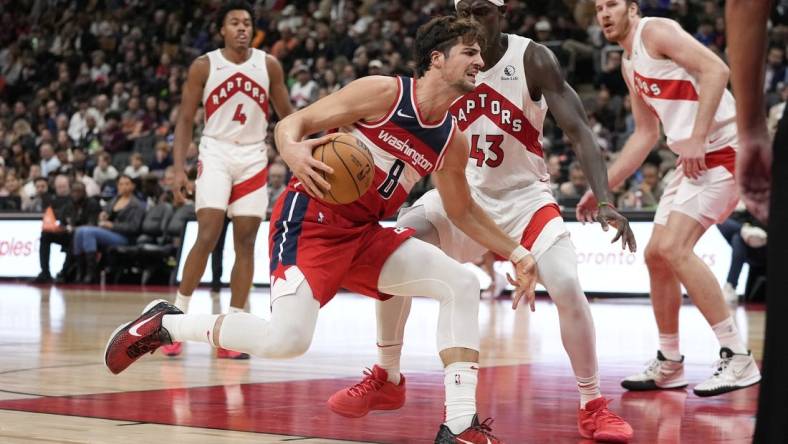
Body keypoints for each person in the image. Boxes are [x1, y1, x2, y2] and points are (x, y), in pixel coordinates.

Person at [106, 16, 536, 443]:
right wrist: (292, 152)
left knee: (460, 283)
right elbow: (291, 124)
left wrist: (518, 253)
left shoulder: (451, 139)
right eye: (471, 51)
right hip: (310, 221)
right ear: (437, 58)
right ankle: (166, 324)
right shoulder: (384, 92)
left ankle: (459, 425)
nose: (481, 60)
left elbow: (463, 211)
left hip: (364, 234)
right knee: (287, 341)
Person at [329, 2, 636, 442]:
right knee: (393, 244)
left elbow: (580, 130)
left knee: (566, 284)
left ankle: (593, 404)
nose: (475, 19)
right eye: (467, 11)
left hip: (524, 198)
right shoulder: (447, 66)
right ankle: (387, 375)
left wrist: (605, 200)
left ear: (502, 13)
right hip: (462, 196)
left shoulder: (532, 58)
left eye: (484, 10)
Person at [578, 0, 761, 397]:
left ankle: (739, 356)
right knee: (656, 255)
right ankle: (670, 361)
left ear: (632, 8)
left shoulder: (655, 31)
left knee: (676, 248)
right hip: (691, 159)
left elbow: (717, 69)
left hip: (723, 149)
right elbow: (644, 135)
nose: (604, 14)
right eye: (598, 8)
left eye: (612, 5)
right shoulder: (629, 64)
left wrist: (696, 136)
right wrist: (602, 186)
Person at [161, 1, 294, 359]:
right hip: (216, 152)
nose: (242, 28)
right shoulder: (204, 65)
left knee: (247, 240)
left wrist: (304, 147)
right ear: (222, 29)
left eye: (247, 23)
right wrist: (178, 169)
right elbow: (186, 120)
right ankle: (174, 320)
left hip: (252, 155)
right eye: (234, 22)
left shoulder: (268, 64)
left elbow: (287, 116)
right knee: (207, 233)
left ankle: (232, 331)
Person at [726, 1, 787, 441]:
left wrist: (749, 128)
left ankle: (734, 353)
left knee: (665, 248)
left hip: (705, 156)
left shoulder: (657, 34)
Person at [73, 174, 144, 283]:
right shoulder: (115, 199)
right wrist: (102, 214)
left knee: (88, 232)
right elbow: (105, 212)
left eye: (127, 184)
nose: (123, 186)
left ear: (133, 186)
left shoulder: (137, 205)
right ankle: (79, 271)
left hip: (125, 237)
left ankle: (91, 273)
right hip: (109, 233)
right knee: (79, 231)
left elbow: (134, 227)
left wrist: (112, 225)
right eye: (120, 184)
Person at [33, 181, 101, 284]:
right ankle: (45, 272)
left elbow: (93, 224)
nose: (76, 194)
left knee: (74, 237)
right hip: (68, 234)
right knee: (46, 235)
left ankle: (64, 272)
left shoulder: (92, 204)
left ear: (84, 192)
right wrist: (60, 228)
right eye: (74, 191)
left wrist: (72, 229)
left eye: (79, 191)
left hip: (85, 238)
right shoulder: (68, 206)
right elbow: (62, 222)